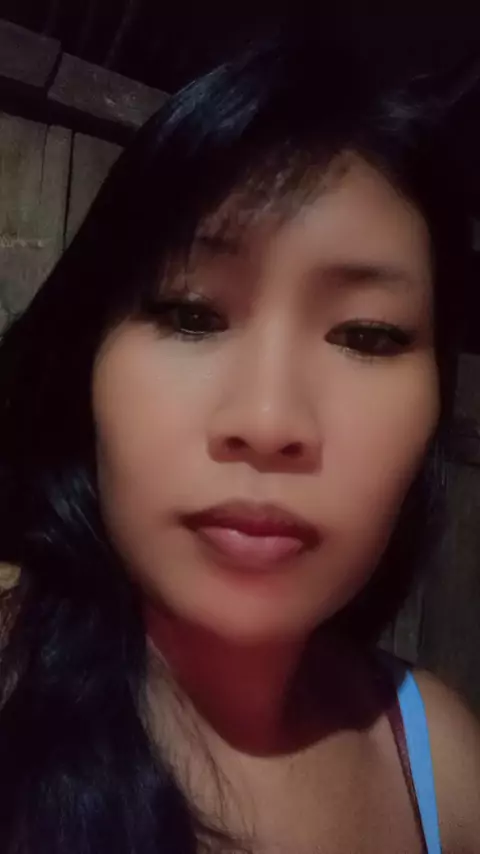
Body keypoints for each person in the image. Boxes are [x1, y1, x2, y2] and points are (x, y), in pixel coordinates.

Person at [0, 21, 479, 854]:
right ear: (86, 363)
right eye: (191, 315)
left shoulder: (442, 763)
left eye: (367, 335)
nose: (267, 422)